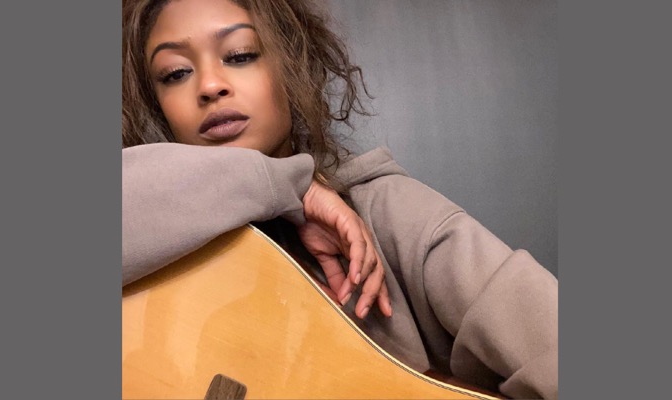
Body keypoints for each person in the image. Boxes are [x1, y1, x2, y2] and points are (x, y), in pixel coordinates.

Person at [122, 0, 558, 399]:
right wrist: (292, 188)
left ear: (291, 65)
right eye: (175, 73)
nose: (210, 85)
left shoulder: (386, 209)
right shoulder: (154, 237)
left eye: (239, 55)